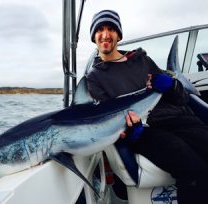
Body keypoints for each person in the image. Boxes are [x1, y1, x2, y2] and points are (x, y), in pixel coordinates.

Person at [86, 9, 208, 204]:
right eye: (100, 29)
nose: (106, 34)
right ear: (94, 36)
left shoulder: (142, 60)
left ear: (119, 34)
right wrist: (130, 131)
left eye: (111, 29)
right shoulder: (94, 78)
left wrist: (171, 85)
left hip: (179, 119)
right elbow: (105, 119)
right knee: (193, 169)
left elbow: (181, 98)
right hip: (146, 131)